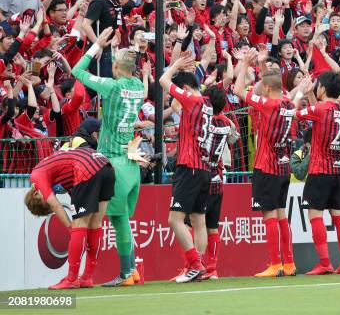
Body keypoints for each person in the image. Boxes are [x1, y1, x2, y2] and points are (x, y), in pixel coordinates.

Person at [71, 27, 144, 287]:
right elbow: (126, 66)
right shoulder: (138, 86)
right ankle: (131, 270)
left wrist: (96, 47)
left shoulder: (112, 87)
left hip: (113, 163)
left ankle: (125, 272)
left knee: (115, 219)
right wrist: (115, 50)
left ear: (114, 66)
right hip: (133, 163)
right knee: (121, 218)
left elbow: (76, 72)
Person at [234, 48, 297, 277]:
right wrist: (261, 65)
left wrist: (244, 65)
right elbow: (269, 83)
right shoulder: (289, 104)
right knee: (281, 215)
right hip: (283, 167)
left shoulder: (267, 105)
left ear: (267, 89)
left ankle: (274, 263)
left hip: (266, 166)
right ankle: (289, 263)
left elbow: (238, 90)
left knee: (269, 215)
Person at [24, 146, 115, 289]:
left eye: (45, 201)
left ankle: (72, 279)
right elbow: (77, 193)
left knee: (79, 226)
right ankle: (87, 277)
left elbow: (56, 205)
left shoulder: (36, 176)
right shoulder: (56, 173)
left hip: (86, 168)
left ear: (35, 194)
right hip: (106, 167)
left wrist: (70, 228)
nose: (50, 198)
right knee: (94, 225)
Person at [158, 54, 214, 283]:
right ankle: (198, 267)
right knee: (199, 221)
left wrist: (174, 66)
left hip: (189, 166)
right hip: (204, 169)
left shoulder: (192, 100)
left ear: (187, 88)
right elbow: (174, 104)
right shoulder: (207, 105)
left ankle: (195, 264)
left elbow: (163, 80)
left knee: (174, 220)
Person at [295, 71, 340, 275]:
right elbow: (319, 114)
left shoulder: (320, 109)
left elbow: (295, 114)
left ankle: (325, 262)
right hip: (338, 171)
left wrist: (300, 93)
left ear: (324, 88)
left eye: (318, 85)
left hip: (320, 170)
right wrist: (312, 95)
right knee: (339, 216)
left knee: (315, 215)